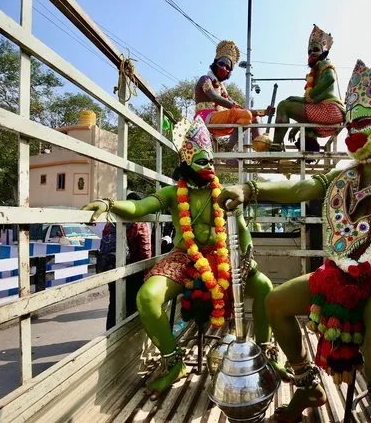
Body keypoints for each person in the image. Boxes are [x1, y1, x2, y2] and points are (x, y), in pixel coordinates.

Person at [219, 59, 371, 423]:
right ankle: (308, 387)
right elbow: (303, 186)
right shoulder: (343, 177)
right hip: (339, 276)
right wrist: (250, 188)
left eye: (365, 123)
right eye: (350, 124)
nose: (354, 131)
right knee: (276, 303)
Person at [82, 116, 285, 399]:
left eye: (211, 162)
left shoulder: (225, 193)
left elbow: (243, 231)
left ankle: (264, 353)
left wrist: (248, 258)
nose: (210, 168)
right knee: (147, 297)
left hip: (222, 255)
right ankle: (173, 361)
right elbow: (139, 207)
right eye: (203, 162)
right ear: (187, 161)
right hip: (184, 257)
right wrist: (109, 203)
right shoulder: (172, 193)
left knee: (264, 287)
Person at [269, 24, 344, 153]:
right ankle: (309, 153)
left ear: (324, 52)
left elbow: (329, 79)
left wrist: (307, 98)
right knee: (305, 129)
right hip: (325, 120)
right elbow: (311, 100)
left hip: (329, 111)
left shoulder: (324, 63)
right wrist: (297, 126)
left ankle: (276, 146)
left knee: (283, 106)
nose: (312, 53)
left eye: (315, 50)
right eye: (309, 51)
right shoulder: (315, 71)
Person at [194, 40, 273, 151]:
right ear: (215, 63)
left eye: (228, 67)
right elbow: (214, 97)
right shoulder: (205, 79)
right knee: (244, 114)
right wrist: (238, 109)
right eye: (222, 64)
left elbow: (237, 106)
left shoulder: (222, 88)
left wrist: (264, 112)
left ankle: (261, 150)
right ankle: (227, 152)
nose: (224, 69)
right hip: (204, 118)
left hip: (218, 119)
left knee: (255, 119)